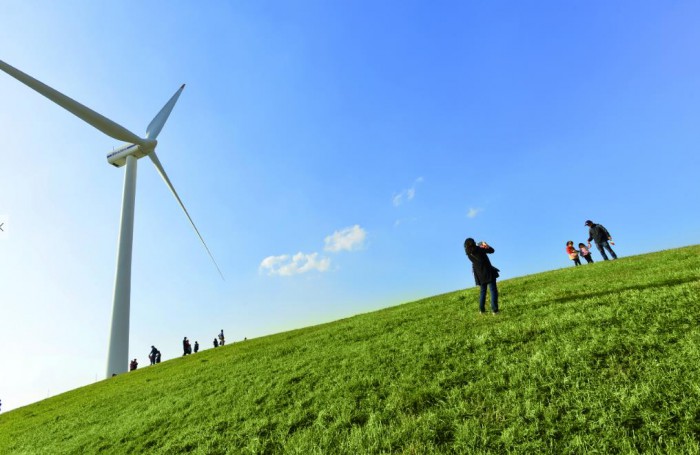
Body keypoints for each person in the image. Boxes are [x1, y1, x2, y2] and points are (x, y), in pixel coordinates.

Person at [464, 238, 500, 315]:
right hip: (488, 272)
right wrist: (485, 245)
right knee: (493, 291)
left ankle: (482, 310)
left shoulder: (469, 254)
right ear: (473, 243)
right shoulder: (479, 249)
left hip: (479, 275)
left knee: (483, 292)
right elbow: (492, 250)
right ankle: (495, 310)